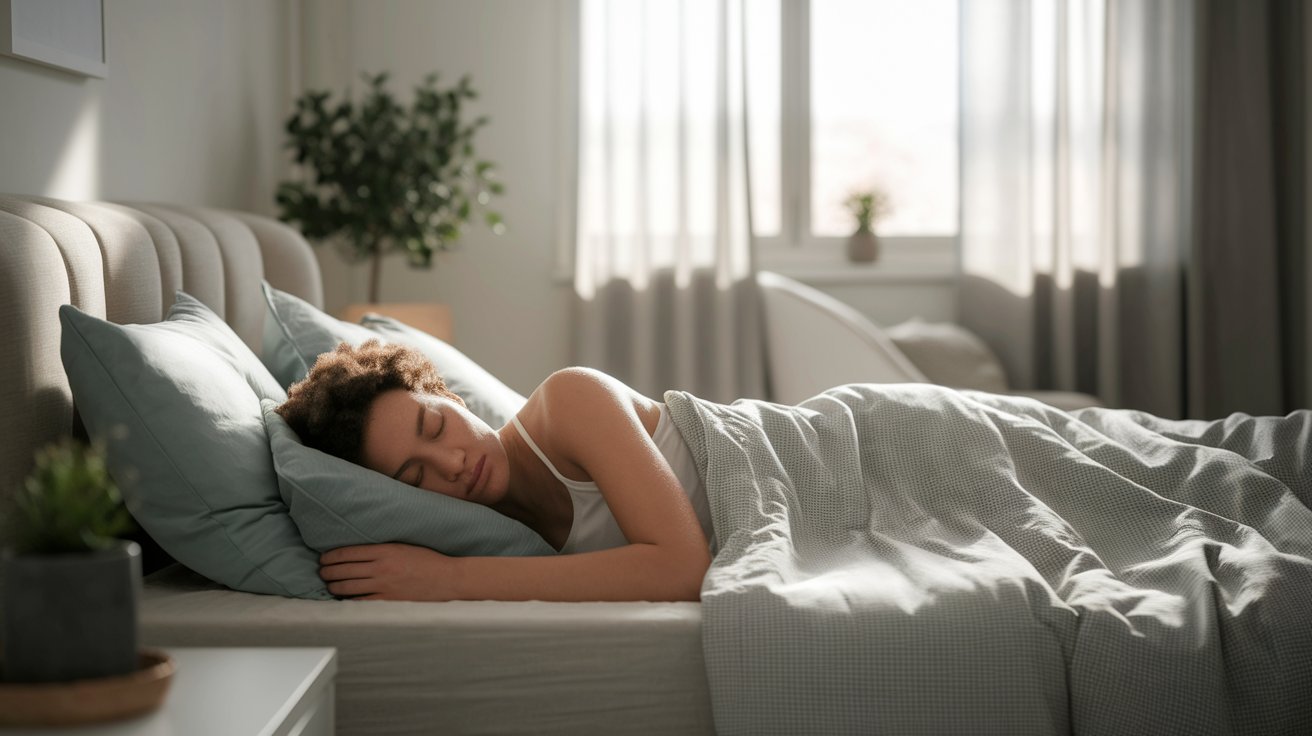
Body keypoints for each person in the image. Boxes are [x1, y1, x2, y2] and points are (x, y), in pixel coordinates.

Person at [276, 340, 713, 603]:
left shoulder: (569, 400)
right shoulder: (483, 541)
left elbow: (683, 569)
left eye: (436, 426)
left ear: (452, 399)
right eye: (415, 478)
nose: (452, 464)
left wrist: (450, 580)